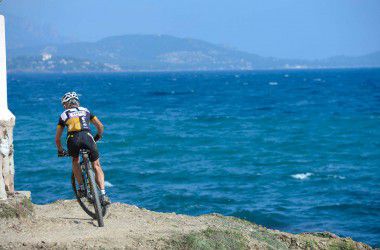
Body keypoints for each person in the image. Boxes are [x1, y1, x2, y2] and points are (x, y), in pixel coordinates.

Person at [55, 91, 110, 205]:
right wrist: (98, 136)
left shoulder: (64, 114)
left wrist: (60, 150)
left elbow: (57, 138)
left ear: (66, 104)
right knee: (96, 165)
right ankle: (103, 194)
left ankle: (81, 188)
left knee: (75, 161)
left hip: (73, 139)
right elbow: (100, 126)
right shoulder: (86, 111)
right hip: (88, 137)